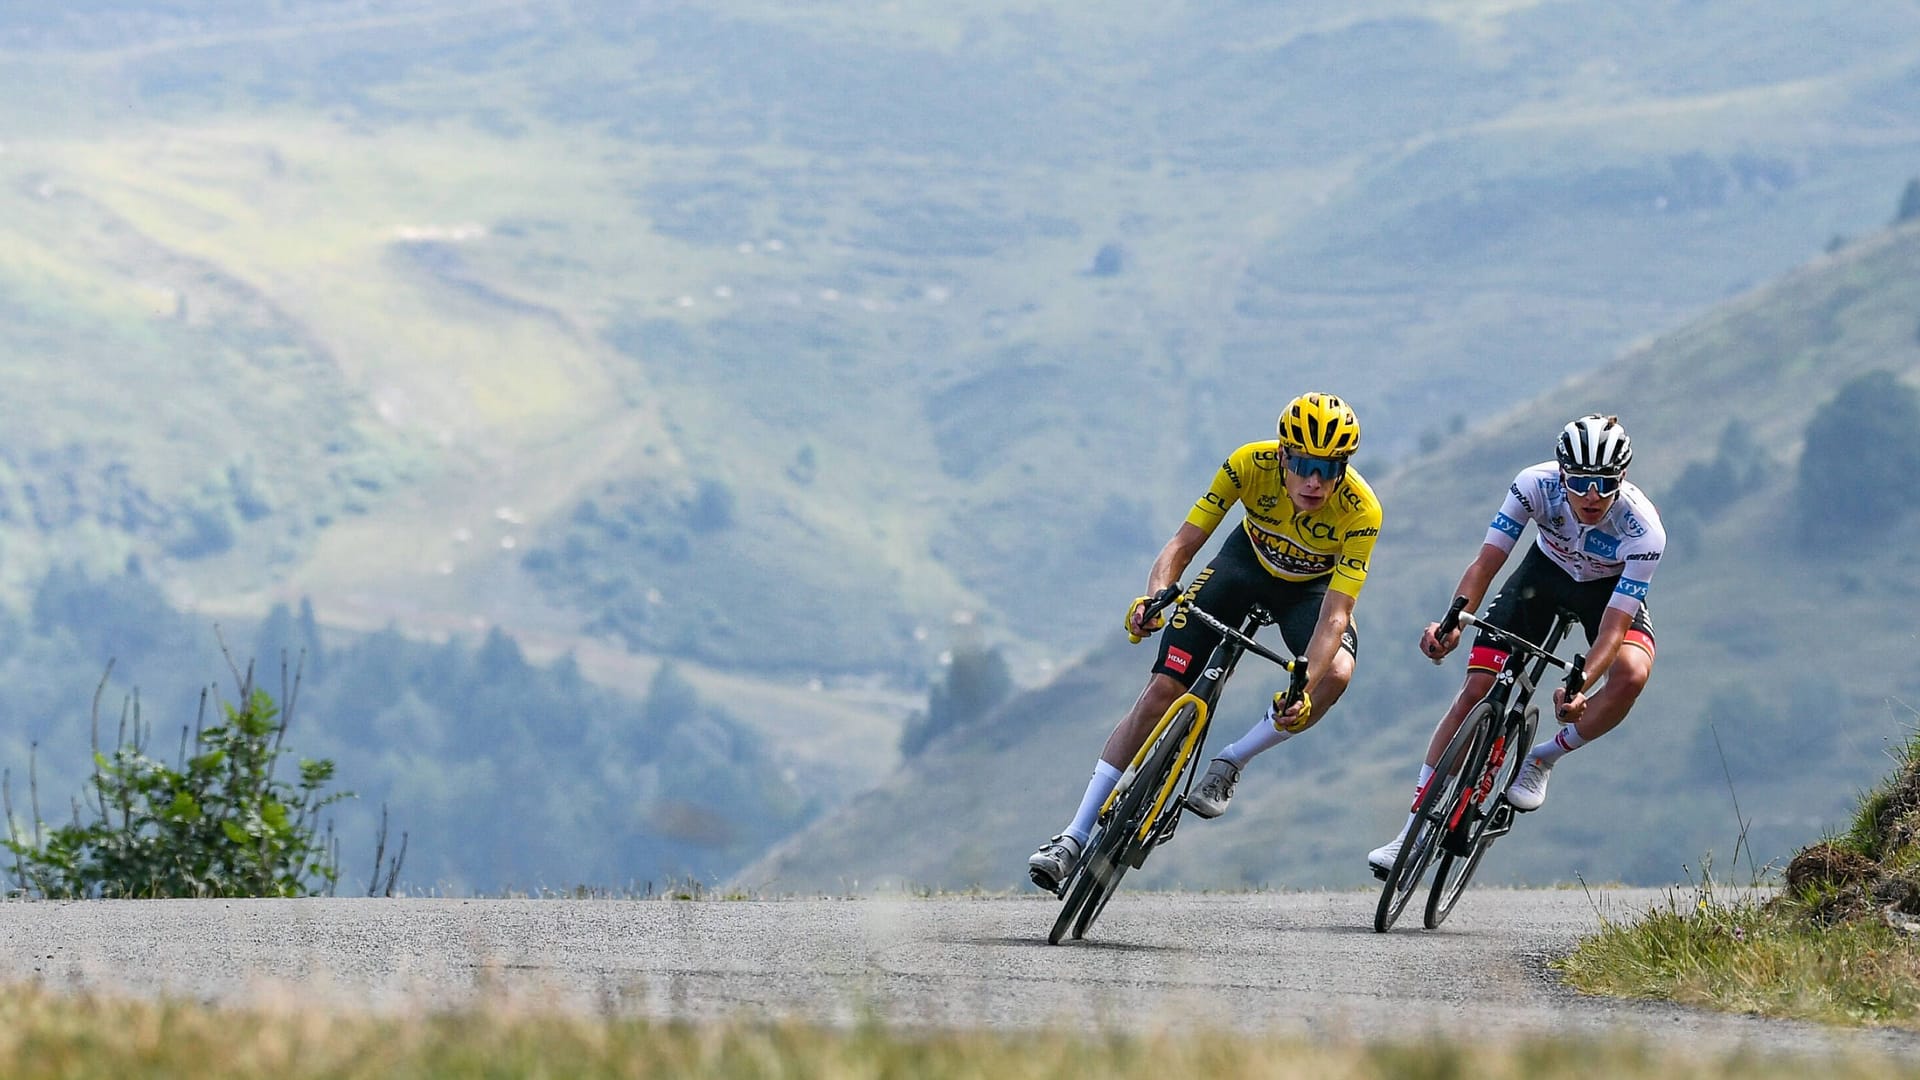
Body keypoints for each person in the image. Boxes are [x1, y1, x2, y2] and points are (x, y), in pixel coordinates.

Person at [1027, 392, 1384, 893]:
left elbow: (1336, 615)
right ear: (1282, 455)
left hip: (1311, 592)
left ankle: (1233, 759)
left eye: (1330, 468)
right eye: (1303, 464)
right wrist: (1154, 599)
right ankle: (1073, 835)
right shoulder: (1247, 465)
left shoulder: (1362, 510)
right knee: (1159, 693)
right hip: (1243, 567)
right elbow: (1183, 544)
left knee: (1338, 673)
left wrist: (1305, 686)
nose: (1314, 482)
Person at [1366, 413, 1666, 878]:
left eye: (1605, 484)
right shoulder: (1533, 485)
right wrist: (1453, 621)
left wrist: (1581, 683)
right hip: (1541, 578)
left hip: (1605, 595)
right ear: (1563, 472)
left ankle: (1544, 756)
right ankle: (1411, 831)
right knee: (1476, 690)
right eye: (1582, 481)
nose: (1592, 496)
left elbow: (1612, 627)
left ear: (1621, 478)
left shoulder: (1643, 529)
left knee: (1631, 673)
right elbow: (1488, 562)